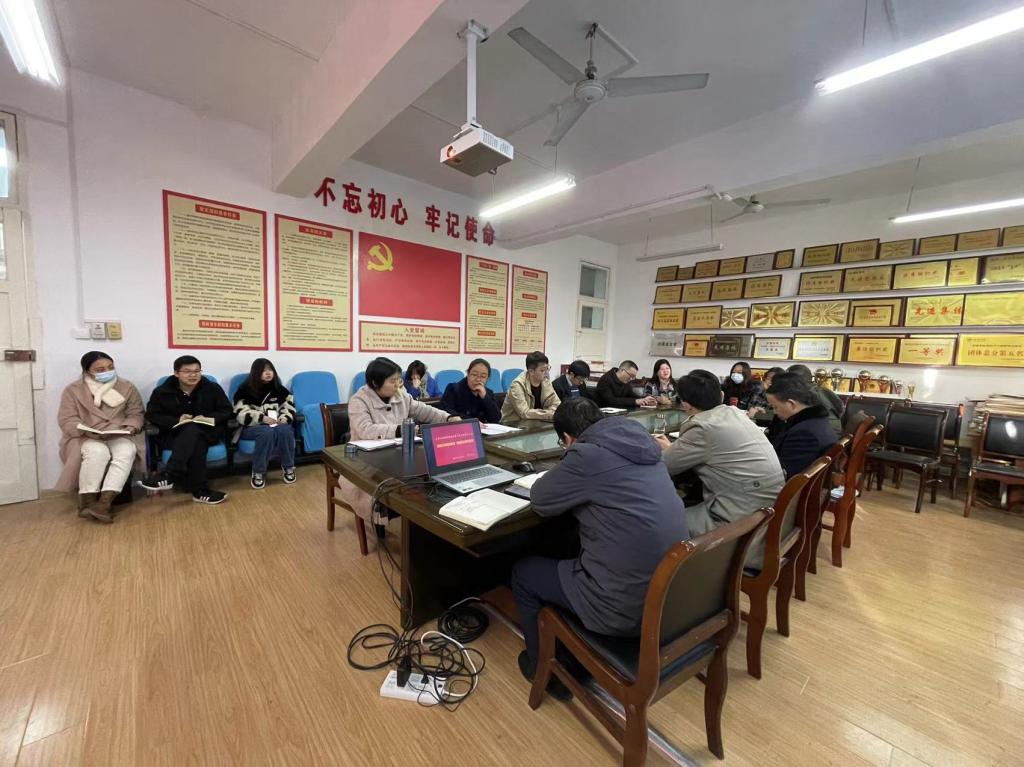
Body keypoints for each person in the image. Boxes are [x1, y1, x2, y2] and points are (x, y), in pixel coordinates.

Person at [511, 398, 688, 701]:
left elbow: (540, 500)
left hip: (621, 608)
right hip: (668, 598)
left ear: (568, 438)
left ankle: (544, 668)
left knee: (523, 573)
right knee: (572, 541)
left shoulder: (586, 455)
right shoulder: (644, 445)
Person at [656, 370, 784, 536]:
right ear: (721, 395)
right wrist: (675, 449)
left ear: (686, 405)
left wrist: (666, 449)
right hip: (770, 508)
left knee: (656, 520)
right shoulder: (735, 413)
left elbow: (664, 466)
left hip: (742, 520)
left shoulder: (702, 426)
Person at [342, 357, 459, 534]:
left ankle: (424, 522)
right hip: (368, 459)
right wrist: (399, 430)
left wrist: (448, 417)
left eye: (398, 379)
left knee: (431, 475)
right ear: (375, 383)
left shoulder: (401, 395)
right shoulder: (359, 400)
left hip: (399, 455)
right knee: (393, 486)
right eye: (392, 380)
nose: (398, 384)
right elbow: (366, 430)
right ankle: (391, 514)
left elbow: (424, 410)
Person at [56, 351, 145, 523]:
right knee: (97, 452)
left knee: (126, 450)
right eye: (100, 369)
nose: (107, 371)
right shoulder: (73, 390)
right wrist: (84, 430)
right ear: (87, 371)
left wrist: (131, 426)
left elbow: (136, 412)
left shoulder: (126, 387)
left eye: (110, 367)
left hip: (117, 432)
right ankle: (87, 502)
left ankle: (104, 503)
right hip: (85, 435)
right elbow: (67, 418)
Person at [141, 356, 233, 504]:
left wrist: (208, 418)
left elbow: (227, 410)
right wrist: (177, 420)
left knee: (194, 430)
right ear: (176, 373)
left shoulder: (212, 388)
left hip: (207, 431)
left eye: (197, 371)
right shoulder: (162, 392)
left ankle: (170, 474)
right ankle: (200, 491)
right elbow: (152, 415)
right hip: (174, 435)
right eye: (187, 371)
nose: (193, 375)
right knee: (195, 438)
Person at [233, 358, 297, 489]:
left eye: (270, 369)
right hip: (252, 427)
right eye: (263, 370)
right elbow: (241, 413)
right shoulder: (244, 390)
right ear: (256, 372)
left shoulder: (280, 389)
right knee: (265, 431)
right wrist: (262, 418)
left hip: (275, 424)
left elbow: (289, 407)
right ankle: (258, 471)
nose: (268, 373)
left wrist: (284, 418)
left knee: (285, 429)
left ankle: (288, 467)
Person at [766, 372, 838, 478]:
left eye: (775, 407)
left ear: (791, 404)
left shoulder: (804, 433)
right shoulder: (814, 421)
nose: (775, 412)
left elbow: (786, 474)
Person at [500, 351, 559, 423]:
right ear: (531, 371)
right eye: (542, 370)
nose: (547, 373)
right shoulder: (517, 385)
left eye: (547, 368)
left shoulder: (545, 382)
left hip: (536, 422)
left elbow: (557, 404)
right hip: (512, 424)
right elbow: (524, 413)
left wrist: (550, 411)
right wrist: (548, 413)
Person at [439, 358, 501, 422]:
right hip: (461, 427)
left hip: (485, 428)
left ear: (487, 378)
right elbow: (445, 412)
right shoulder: (453, 389)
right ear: (468, 374)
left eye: (483, 376)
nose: (478, 379)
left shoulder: (488, 393)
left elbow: (496, 418)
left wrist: (485, 397)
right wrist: (473, 422)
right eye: (474, 375)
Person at [787, 364, 843, 435]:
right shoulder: (821, 389)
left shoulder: (806, 393)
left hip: (823, 434)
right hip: (832, 432)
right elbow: (840, 408)